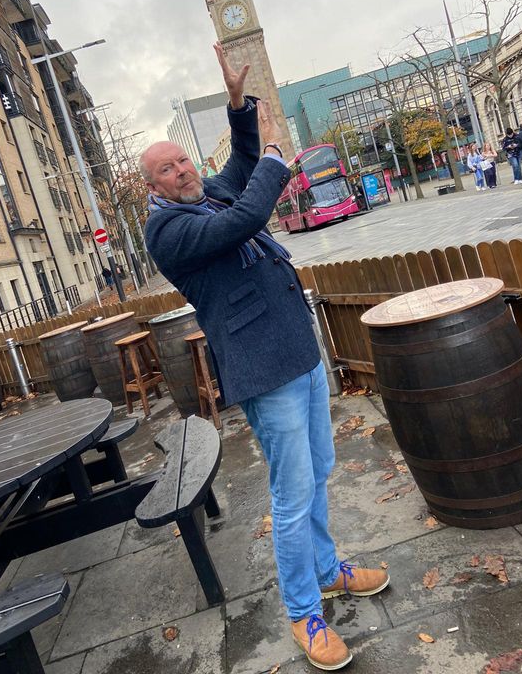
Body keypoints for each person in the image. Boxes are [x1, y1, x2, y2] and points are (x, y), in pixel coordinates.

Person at [140, 43, 389, 671]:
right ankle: (306, 613)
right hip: (261, 366)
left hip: (298, 349)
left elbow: (244, 162)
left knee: (321, 469)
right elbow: (251, 212)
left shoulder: (207, 196)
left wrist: (236, 106)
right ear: (153, 189)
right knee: (291, 492)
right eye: (168, 170)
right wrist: (279, 158)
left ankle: (330, 569)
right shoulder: (170, 231)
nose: (183, 170)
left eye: (182, 160)